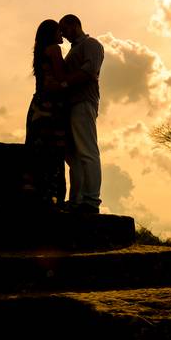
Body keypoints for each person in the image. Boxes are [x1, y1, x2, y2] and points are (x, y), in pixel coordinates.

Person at [59, 13, 104, 214]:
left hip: (83, 102)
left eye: (64, 29)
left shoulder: (91, 44)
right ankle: (77, 201)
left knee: (87, 151)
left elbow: (90, 70)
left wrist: (65, 82)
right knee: (73, 157)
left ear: (74, 25)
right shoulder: (74, 50)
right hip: (71, 105)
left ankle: (92, 200)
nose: (63, 34)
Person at [24, 19, 70, 205]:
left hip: (37, 105)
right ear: (52, 33)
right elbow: (61, 76)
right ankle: (52, 194)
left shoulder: (40, 51)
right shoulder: (54, 50)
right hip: (50, 108)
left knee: (36, 148)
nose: (62, 35)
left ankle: (33, 188)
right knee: (54, 149)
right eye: (59, 31)